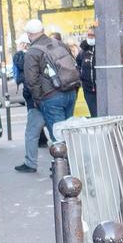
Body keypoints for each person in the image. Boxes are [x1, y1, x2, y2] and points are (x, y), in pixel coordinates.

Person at [23, 18, 80, 140]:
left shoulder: (32, 52)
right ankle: (72, 158)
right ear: (43, 30)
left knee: (58, 137)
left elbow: (31, 81)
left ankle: (62, 159)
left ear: (28, 34)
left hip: (51, 96)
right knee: (69, 134)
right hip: (70, 91)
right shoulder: (59, 44)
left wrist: (39, 100)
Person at [14, 34, 48, 173]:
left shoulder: (28, 56)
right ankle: (64, 163)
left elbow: (30, 79)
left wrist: (36, 99)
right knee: (55, 131)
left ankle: (31, 163)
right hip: (50, 96)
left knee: (31, 133)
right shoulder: (46, 51)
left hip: (37, 99)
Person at [77, 26, 97, 117]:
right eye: (89, 35)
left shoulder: (101, 49)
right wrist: (81, 77)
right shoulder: (83, 50)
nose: (90, 37)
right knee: (94, 113)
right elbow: (77, 64)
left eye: (93, 35)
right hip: (88, 87)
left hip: (100, 87)